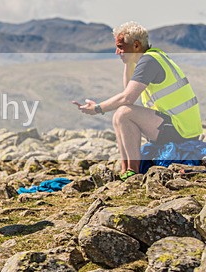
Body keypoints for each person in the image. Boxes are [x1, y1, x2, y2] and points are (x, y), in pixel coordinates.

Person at [77, 21, 201, 180]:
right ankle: (125, 169)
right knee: (118, 116)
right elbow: (128, 91)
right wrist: (128, 63)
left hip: (182, 129)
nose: (117, 52)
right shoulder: (150, 58)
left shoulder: (149, 61)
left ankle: (133, 172)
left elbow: (127, 98)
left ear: (136, 45)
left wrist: (97, 108)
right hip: (178, 126)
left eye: (121, 47)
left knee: (123, 114)